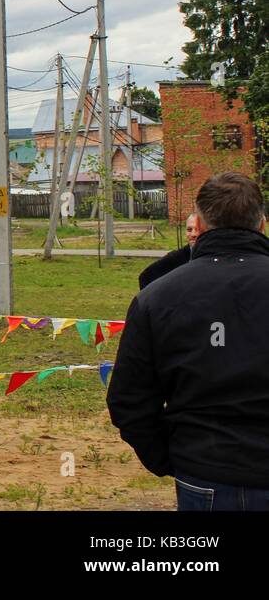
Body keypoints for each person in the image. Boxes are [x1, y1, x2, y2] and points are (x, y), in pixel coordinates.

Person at [107, 172, 269, 510]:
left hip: (202, 470)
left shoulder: (157, 297)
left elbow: (128, 399)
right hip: (202, 468)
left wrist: (173, 458)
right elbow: (129, 399)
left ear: (201, 224)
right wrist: (172, 459)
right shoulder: (157, 296)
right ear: (262, 224)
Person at [137, 213, 198, 289]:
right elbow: (145, 277)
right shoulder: (176, 258)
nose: (193, 234)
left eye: (198, 229)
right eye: (189, 230)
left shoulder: (214, 256)